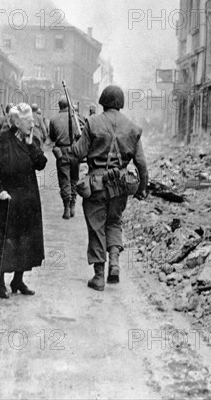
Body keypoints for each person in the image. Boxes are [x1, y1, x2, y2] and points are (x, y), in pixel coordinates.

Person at [72, 85, 148, 292]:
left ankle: (98, 276)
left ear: (103, 101)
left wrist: (76, 138)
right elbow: (141, 163)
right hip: (121, 185)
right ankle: (114, 263)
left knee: (97, 226)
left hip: (97, 184)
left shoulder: (92, 123)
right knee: (114, 222)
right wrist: (142, 188)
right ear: (121, 103)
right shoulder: (132, 128)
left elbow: (77, 154)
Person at [0, 103, 47, 299]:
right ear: (17, 122)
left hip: (27, 201)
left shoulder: (30, 141)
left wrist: (30, 144)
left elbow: (41, 164)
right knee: (4, 241)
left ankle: (18, 280)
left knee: (26, 241)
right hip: (6, 201)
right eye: (29, 122)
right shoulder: (0, 142)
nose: (32, 125)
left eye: (33, 122)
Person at [49, 97, 80, 219]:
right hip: (75, 152)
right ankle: (72, 205)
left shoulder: (54, 119)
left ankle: (66, 207)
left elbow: (51, 137)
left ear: (59, 106)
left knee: (64, 180)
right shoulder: (75, 117)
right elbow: (80, 134)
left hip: (61, 153)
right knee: (74, 179)